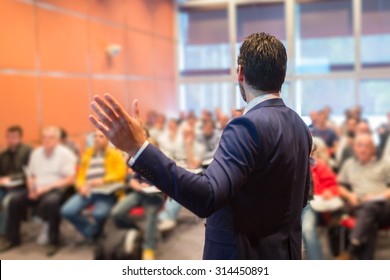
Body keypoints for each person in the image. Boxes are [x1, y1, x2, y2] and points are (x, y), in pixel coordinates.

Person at [89, 32, 312, 260]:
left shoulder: (246, 126)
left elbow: (207, 197)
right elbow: (301, 196)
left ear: (240, 72)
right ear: (282, 75)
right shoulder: (300, 126)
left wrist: (139, 148)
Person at [3, 126, 77, 256]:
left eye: (51, 137)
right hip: (37, 189)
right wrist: (31, 188)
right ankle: (13, 239)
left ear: (58, 140)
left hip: (55, 189)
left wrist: (46, 188)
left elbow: (70, 179)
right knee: (14, 201)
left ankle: (54, 240)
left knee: (51, 202)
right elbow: (30, 175)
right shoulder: (36, 153)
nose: (47, 140)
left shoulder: (65, 154)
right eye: (44, 137)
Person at [61, 130, 126, 242]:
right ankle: (92, 232)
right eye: (95, 136)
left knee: (98, 214)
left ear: (107, 140)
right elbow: (80, 175)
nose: (97, 138)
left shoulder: (115, 154)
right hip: (88, 191)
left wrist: (103, 180)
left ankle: (94, 234)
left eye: (101, 136)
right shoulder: (88, 153)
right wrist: (81, 186)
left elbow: (121, 173)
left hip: (106, 192)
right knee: (67, 211)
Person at [337, 133, 390, 259]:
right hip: (358, 206)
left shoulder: (385, 163)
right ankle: (354, 246)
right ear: (354, 148)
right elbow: (338, 186)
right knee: (369, 221)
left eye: (366, 146)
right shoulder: (349, 164)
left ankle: (350, 249)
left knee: (370, 207)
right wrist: (349, 195)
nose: (363, 149)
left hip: (384, 207)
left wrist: (377, 197)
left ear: (374, 148)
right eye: (359, 146)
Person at [0, 126, 32, 250]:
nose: (11, 140)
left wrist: (11, 179)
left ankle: (8, 236)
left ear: (20, 137)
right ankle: (3, 232)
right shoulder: (3, 154)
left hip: (22, 187)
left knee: (8, 202)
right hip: (5, 187)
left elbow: (30, 172)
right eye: (8, 137)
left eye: (14, 137)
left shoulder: (28, 150)